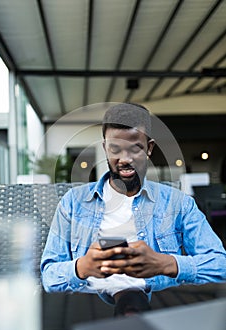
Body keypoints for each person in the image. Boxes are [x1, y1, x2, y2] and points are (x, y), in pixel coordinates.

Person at [41, 103, 226, 316]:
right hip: (88, 310)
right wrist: (82, 267)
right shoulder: (73, 202)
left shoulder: (179, 204)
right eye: (115, 149)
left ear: (149, 148)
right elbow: (48, 277)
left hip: (160, 307)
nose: (125, 159)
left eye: (135, 148)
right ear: (105, 148)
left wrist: (166, 264)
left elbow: (220, 265)